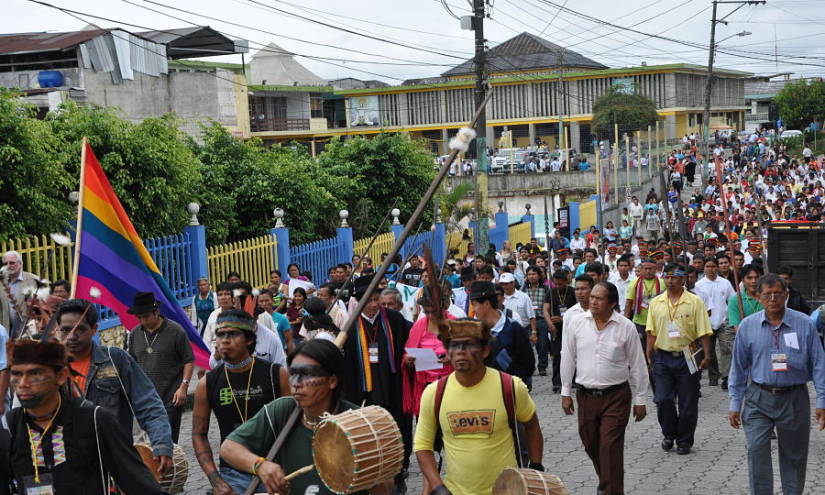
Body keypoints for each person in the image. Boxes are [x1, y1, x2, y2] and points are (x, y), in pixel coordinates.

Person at [0, 339, 165, 494]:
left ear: (61, 376)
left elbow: (137, 481)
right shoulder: (9, 428)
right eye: (16, 374)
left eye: (34, 374)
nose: (22, 384)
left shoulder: (94, 420)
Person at [221, 339, 384, 495]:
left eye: (307, 374)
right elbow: (228, 448)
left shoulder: (359, 422)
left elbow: (385, 487)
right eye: (293, 374)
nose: (296, 383)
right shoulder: (282, 410)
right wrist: (260, 465)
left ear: (332, 381)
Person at [414, 319, 544, 495]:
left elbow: (532, 425)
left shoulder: (510, 387)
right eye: (454, 346)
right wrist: (438, 486)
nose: (460, 352)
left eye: (468, 346)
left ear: (485, 351)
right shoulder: (434, 393)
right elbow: (422, 445)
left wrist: (535, 467)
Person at [729, 274, 825, 495]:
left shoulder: (804, 324)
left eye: (778, 294)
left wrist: (822, 401)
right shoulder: (747, 326)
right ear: (758, 297)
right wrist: (735, 403)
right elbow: (739, 368)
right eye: (767, 294)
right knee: (756, 451)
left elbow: (820, 364)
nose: (773, 299)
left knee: (794, 456)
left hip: (794, 398)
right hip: (758, 398)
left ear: (786, 295)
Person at [53, 299, 174, 474]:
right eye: (65, 330)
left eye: (80, 329)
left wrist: (161, 444)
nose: (71, 336)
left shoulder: (115, 360)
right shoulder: (49, 369)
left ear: (94, 329)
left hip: (114, 461)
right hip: (66, 465)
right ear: (57, 330)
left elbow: (149, 404)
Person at [561, 282, 649, 495]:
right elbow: (568, 357)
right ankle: (608, 481)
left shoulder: (625, 326)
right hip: (586, 396)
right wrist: (565, 391)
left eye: (598, 298)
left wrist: (640, 399)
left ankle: (610, 490)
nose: (592, 301)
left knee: (609, 446)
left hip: (616, 396)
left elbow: (638, 364)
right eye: (592, 297)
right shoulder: (576, 322)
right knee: (591, 443)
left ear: (612, 303)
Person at [192, 309, 290, 495]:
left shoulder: (276, 374)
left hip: (275, 467)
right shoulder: (208, 383)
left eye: (233, 334)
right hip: (232, 473)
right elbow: (198, 435)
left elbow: (293, 423)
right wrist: (215, 480)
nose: (225, 340)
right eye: (220, 335)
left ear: (249, 339)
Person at [341, 274, 411, 493]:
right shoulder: (349, 327)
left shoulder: (394, 319)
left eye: (376, 299)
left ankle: (398, 475)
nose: (373, 304)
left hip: (393, 389)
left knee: (396, 434)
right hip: (364, 394)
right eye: (368, 300)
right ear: (358, 301)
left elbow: (412, 340)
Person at [645, 263, 712, 455]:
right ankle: (669, 433)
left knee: (688, 401)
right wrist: (648, 353)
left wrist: (707, 355)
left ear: (684, 279)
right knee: (663, 399)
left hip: (688, 356)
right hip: (663, 357)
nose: (670, 280)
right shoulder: (656, 302)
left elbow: (704, 331)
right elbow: (651, 331)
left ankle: (684, 440)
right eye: (667, 277)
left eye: (675, 277)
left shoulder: (695, 302)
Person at [126, 291, 194, 445]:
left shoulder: (176, 331)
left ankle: (169, 468)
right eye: (139, 317)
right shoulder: (135, 334)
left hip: (170, 397)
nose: (142, 320)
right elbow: (132, 363)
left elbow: (189, 360)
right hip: (145, 398)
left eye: (145, 316)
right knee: (145, 444)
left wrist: (184, 386)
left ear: (156, 312)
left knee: (167, 443)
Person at [471, 281, 535, 389]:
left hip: (512, 391)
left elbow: (528, 363)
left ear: (486, 304)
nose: (473, 309)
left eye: (474, 305)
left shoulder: (514, 328)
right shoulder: (473, 332)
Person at [720, 264, 764, 391]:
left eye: (757, 277)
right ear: (743, 280)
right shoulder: (735, 300)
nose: (753, 281)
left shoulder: (768, 297)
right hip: (746, 345)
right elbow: (738, 328)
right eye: (749, 278)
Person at [694, 257, 735, 387]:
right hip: (707, 323)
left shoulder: (725, 283)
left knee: (726, 350)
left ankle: (727, 376)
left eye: (713, 266)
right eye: (707, 266)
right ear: (704, 268)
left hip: (724, 321)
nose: (710, 269)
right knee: (709, 350)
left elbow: (732, 300)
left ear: (717, 267)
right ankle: (713, 375)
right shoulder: (699, 285)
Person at [543, 270, 577, 392]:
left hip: (571, 327)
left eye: (561, 284)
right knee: (557, 355)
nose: (558, 286)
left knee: (572, 354)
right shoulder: (550, 293)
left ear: (566, 282)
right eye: (556, 284)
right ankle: (557, 382)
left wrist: (563, 319)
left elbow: (578, 310)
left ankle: (573, 379)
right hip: (556, 329)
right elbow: (545, 310)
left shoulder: (573, 292)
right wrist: (550, 323)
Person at [624, 258, 663, 352]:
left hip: (657, 323)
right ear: (641, 269)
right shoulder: (634, 283)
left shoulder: (662, 283)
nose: (648, 271)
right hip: (639, 322)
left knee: (655, 350)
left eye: (651, 269)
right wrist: (625, 322)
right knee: (639, 350)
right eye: (645, 268)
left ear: (656, 269)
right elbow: (629, 303)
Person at [522, 267, 549, 376]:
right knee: (527, 346)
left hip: (541, 319)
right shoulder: (523, 290)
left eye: (534, 274)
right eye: (529, 274)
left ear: (539, 275)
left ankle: (542, 366)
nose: (531, 276)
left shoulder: (545, 289)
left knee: (542, 344)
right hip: (528, 321)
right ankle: (530, 366)